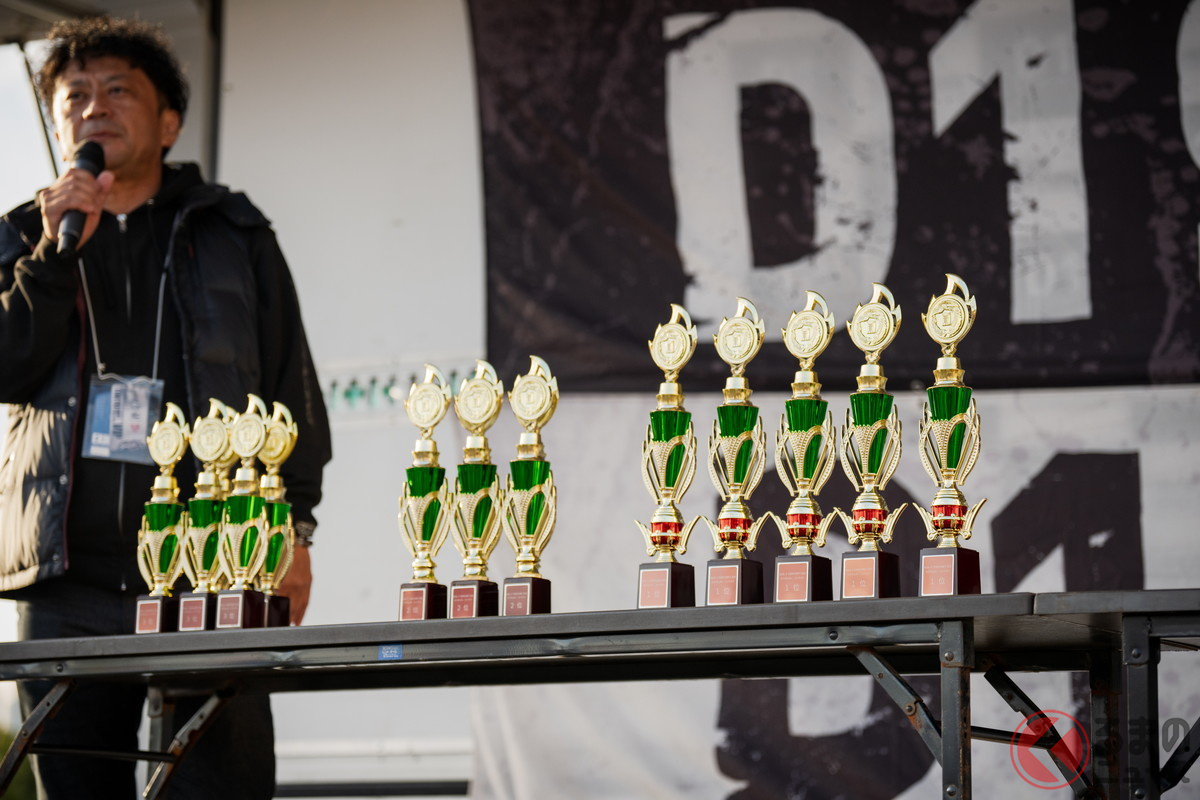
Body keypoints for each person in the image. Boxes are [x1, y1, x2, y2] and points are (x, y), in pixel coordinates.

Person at [0, 16, 331, 799]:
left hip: (214, 559)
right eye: (75, 95)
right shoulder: (22, 236)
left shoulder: (233, 232)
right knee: (77, 786)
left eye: (119, 90)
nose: (95, 107)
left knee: (220, 784)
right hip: (67, 576)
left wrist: (293, 530)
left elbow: (289, 386)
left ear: (169, 122)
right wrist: (52, 258)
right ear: (58, 125)